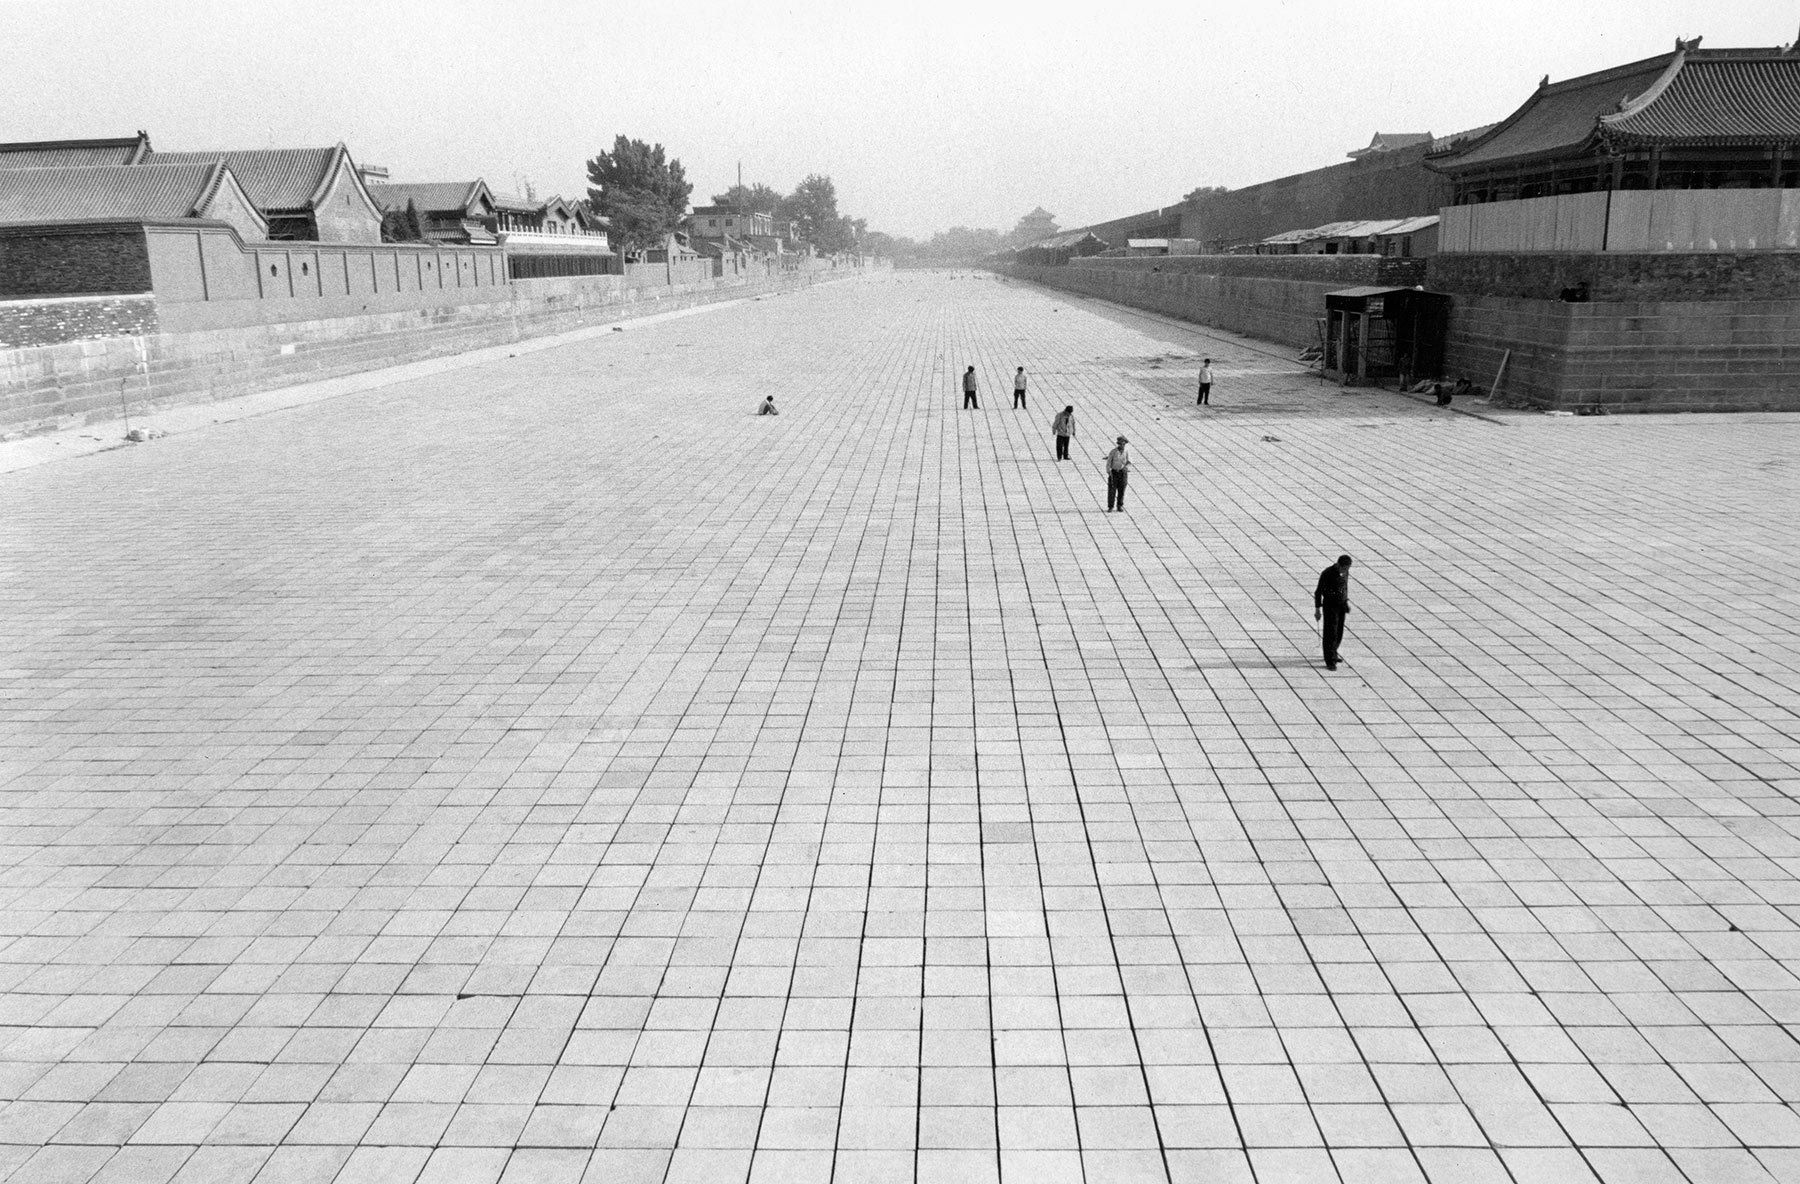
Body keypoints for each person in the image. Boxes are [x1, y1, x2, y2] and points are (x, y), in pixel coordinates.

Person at [1313, 554, 1353, 670]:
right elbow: (1318, 592)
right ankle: (1329, 660)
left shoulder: (1345, 572)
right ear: (1338, 565)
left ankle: (1334, 653)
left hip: (1341, 605)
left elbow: (1345, 587)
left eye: (1347, 568)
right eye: (1344, 568)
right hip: (1330, 606)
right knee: (1330, 633)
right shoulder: (1327, 573)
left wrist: (1345, 602)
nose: (1345, 571)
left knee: (1339, 631)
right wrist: (1317, 609)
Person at [1104, 436, 1130, 512]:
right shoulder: (1113, 452)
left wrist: (1126, 467)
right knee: (1112, 490)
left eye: (1123, 444)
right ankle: (1110, 506)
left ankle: (1119, 505)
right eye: (1120, 444)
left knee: (1122, 489)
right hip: (1114, 472)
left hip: (1122, 472)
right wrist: (1108, 471)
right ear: (1118, 444)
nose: (1122, 446)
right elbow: (1109, 462)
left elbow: (1129, 461)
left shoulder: (1126, 451)